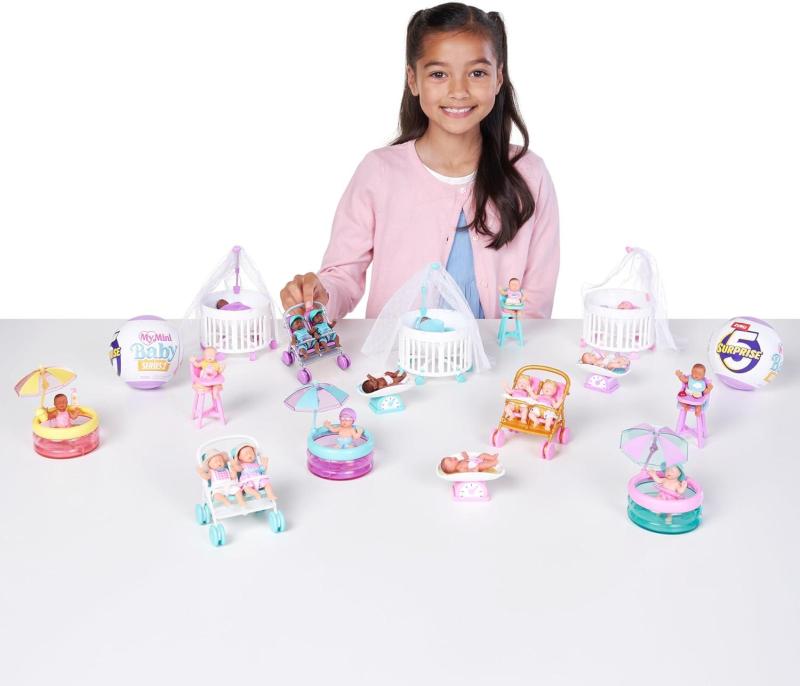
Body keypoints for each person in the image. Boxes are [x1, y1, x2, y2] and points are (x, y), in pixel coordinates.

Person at [280, 3, 559, 321]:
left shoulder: (530, 174)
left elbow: (536, 302)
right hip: (400, 352)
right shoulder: (379, 172)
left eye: (477, 73)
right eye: (439, 74)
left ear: (498, 78)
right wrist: (319, 295)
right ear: (413, 80)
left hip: (497, 352)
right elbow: (342, 276)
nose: (458, 91)